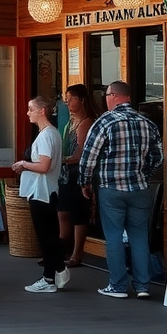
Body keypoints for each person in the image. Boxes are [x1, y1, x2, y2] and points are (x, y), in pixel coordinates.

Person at [79, 80, 164, 299]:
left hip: (111, 187)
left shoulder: (104, 122)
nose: (105, 100)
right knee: (138, 236)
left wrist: (85, 182)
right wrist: (143, 175)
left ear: (113, 96)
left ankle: (117, 286)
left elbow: (88, 157)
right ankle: (143, 285)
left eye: (106, 95)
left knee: (114, 236)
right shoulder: (147, 123)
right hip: (140, 188)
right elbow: (158, 157)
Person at [13, 96, 70, 293]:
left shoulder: (46, 136)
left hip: (42, 192)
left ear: (42, 111)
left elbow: (44, 165)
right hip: (48, 190)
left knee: (45, 236)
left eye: (31, 109)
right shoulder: (52, 133)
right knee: (49, 234)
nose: (28, 113)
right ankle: (52, 273)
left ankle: (53, 273)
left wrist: (24, 164)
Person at [57, 84, 96, 267]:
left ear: (81, 100)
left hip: (78, 173)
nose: (67, 102)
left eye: (71, 98)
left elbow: (81, 153)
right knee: (62, 212)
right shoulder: (69, 122)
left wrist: (63, 160)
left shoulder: (86, 122)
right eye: (66, 98)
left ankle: (76, 254)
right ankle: (61, 250)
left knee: (79, 214)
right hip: (65, 172)